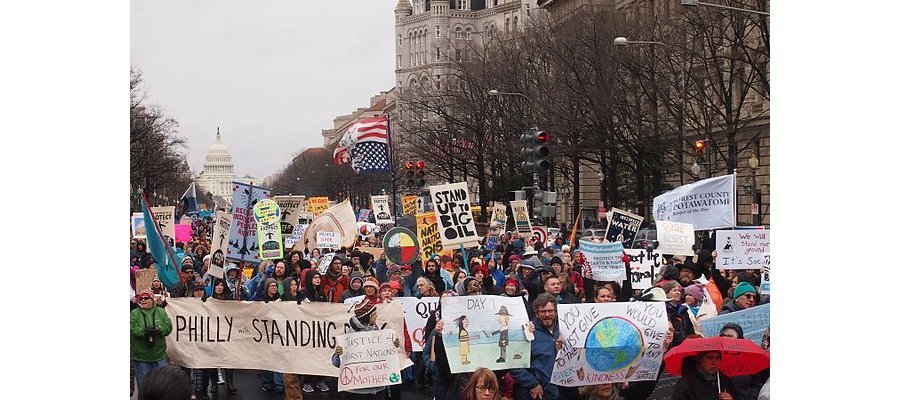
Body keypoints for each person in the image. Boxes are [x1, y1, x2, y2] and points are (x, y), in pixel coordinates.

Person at [331, 298, 397, 400]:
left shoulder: (379, 335)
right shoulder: (349, 336)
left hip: (377, 389)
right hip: (355, 391)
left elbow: (386, 358)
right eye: (374, 314)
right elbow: (336, 363)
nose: (376, 316)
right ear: (369, 316)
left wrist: (392, 347)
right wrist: (338, 354)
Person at [510, 293, 561, 400]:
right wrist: (532, 383)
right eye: (543, 311)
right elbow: (515, 363)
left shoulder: (564, 329)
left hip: (563, 389)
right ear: (537, 314)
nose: (547, 315)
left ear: (556, 312)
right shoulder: (527, 331)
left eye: (550, 311)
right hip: (539, 392)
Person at [131, 290, 174, 389]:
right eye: (141, 299)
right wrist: (144, 332)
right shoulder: (134, 313)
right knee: (144, 386)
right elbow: (131, 328)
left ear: (152, 300)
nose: (143, 300)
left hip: (159, 356)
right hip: (141, 357)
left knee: (160, 386)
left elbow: (168, 327)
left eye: (146, 298)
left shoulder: (161, 312)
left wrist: (160, 330)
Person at [672, 351, 736, 400]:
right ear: (700, 360)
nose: (714, 362)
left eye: (717, 358)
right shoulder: (686, 383)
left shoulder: (725, 380)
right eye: (710, 358)